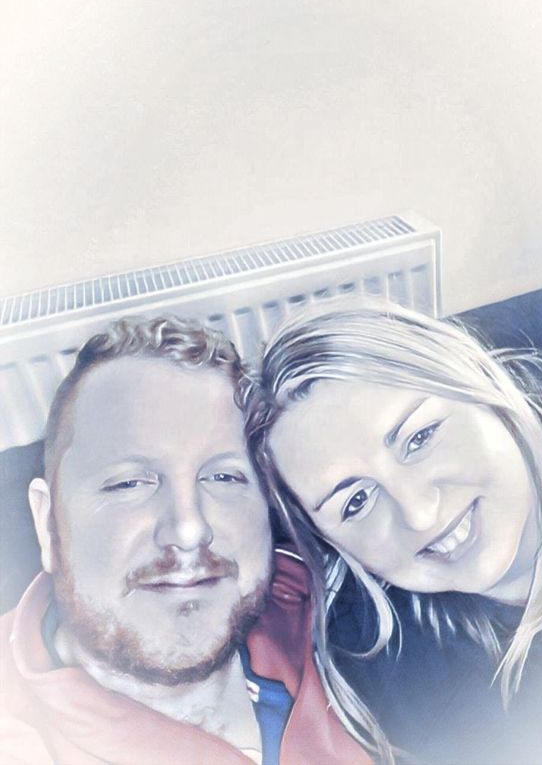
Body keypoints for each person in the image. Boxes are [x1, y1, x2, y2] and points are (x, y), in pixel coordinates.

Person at [244, 301, 542, 765]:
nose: (419, 513)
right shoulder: (405, 691)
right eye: (356, 501)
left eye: (420, 437)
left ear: (480, 383)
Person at [0, 316, 371, 765]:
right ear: (47, 522)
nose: (189, 529)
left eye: (224, 477)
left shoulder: (343, 605)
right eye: (129, 483)